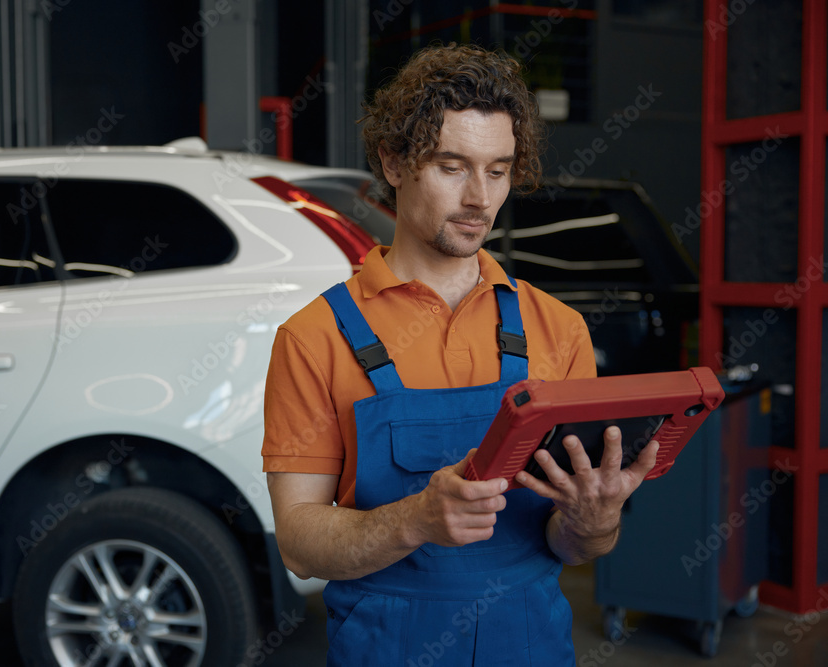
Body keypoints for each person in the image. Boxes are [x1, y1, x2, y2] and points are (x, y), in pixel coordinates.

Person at [261, 42, 658, 666]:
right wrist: (414, 520)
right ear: (394, 162)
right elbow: (299, 546)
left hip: (530, 646)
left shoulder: (559, 330)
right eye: (452, 166)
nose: (480, 198)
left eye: (497, 170)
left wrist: (595, 518)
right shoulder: (314, 337)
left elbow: (569, 544)